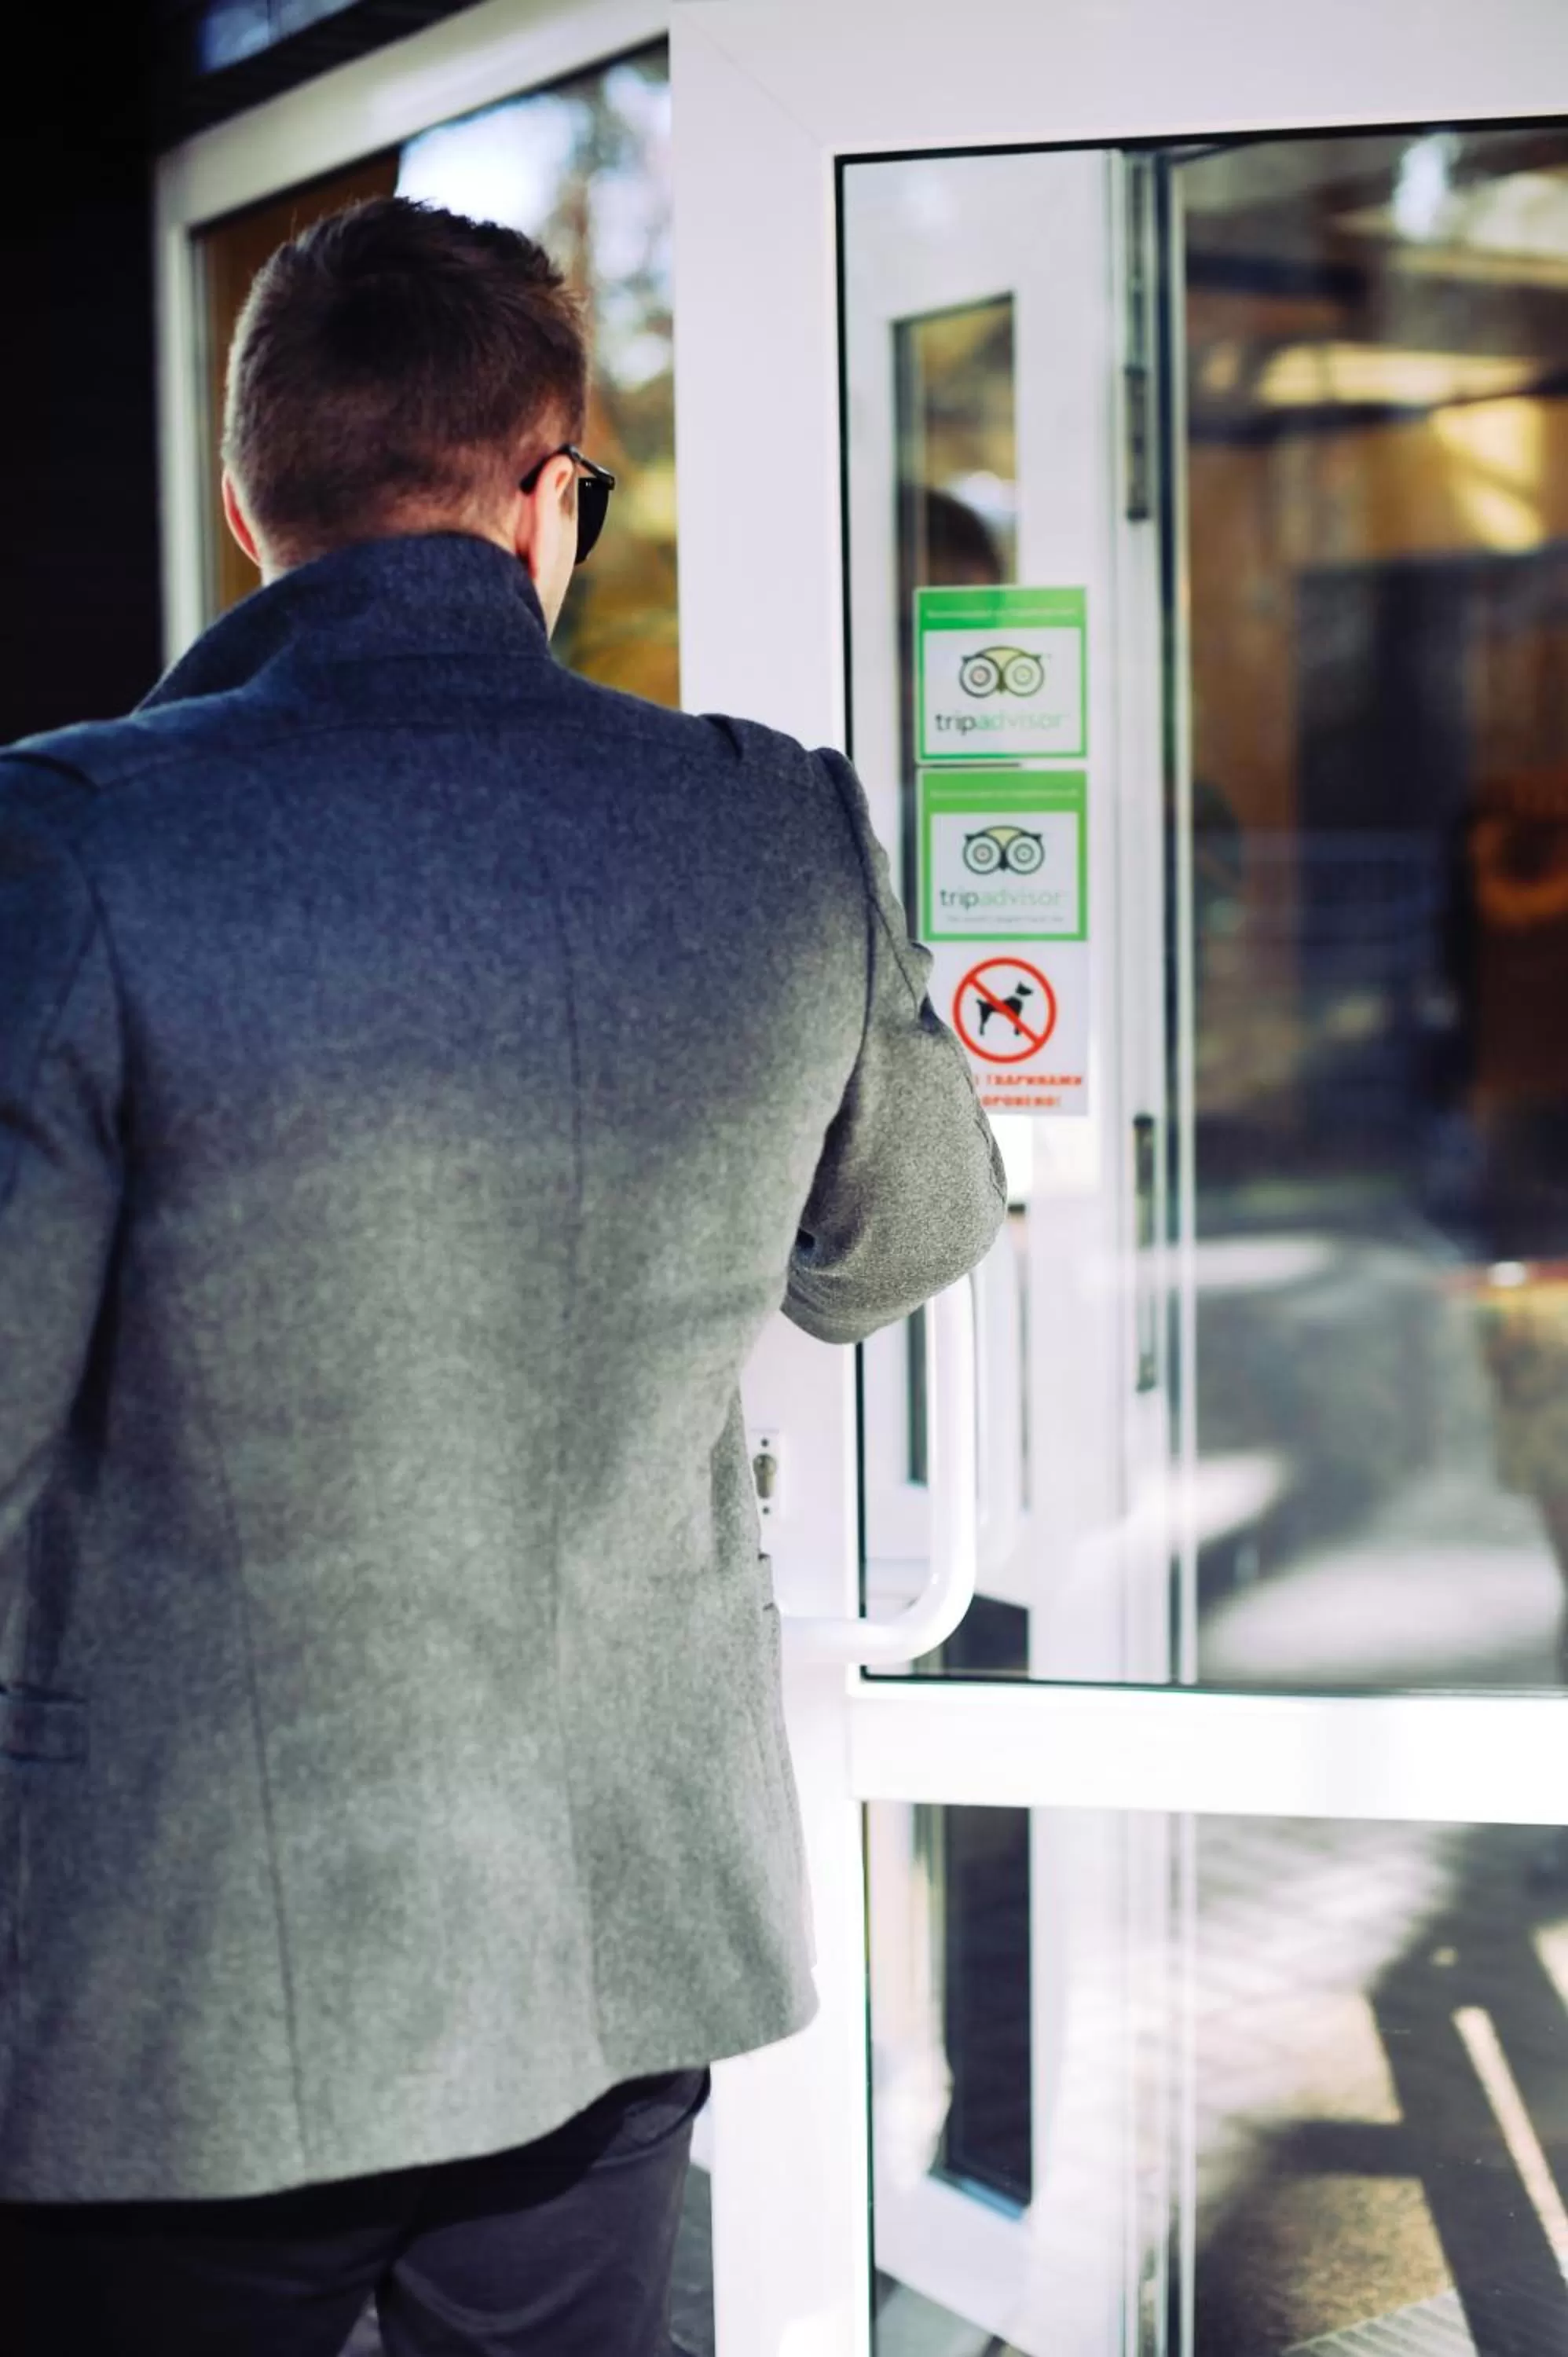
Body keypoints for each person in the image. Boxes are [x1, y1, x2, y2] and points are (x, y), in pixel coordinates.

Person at [0, 198, 1006, 2354]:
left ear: (247, 492)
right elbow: (903, 1244)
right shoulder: (772, 829)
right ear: (549, 497)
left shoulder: (71, 841)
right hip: (605, 1928)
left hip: (184, 1978)